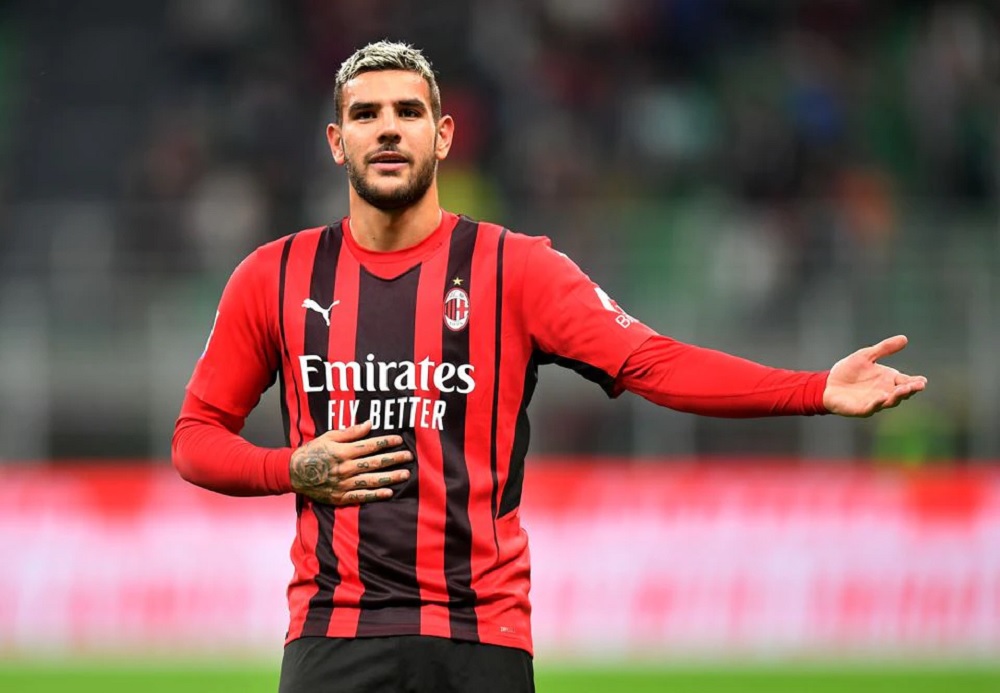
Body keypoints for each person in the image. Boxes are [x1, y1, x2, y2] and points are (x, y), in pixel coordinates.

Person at [171, 40, 927, 693]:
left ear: (444, 135)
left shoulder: (515, 268)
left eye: (408, 112)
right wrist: (289, 468)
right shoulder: (273, 276)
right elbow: (196, 437)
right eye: (366, 115)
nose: (388, 129)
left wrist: (812, 390)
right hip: (331, 633)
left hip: (480, 635)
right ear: (337, 142)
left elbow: (650, 361)